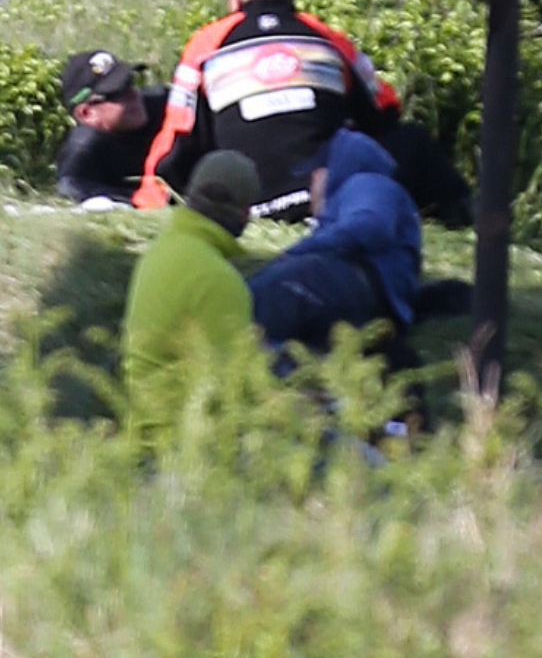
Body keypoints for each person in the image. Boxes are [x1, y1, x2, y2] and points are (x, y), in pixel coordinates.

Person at [133, 0, 402, 217]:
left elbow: (177, 135)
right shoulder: (327, 37)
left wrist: (149, 199)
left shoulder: (205, 44)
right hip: (326, 198)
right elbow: (385, 108)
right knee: (410, 138)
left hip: (248, 205)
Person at [241, 127, 421, 372]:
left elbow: (369, 227)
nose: (311, 186)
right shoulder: (359, 193)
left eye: (315, 175)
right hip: (360, 293)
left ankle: (236, 353)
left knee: (278, 287)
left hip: (364, 281)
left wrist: (297, 252)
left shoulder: (367, 183)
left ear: (333, 169)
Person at [122, 148, 262, 440]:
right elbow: (240, 391)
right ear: (245, 212)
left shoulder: (162, 251)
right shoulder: (217, 280)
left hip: (145, 433)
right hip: (188, 449)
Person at [53, 49, 165, 207]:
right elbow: (71, 190)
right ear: (86, 114)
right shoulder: (84, 148)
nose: (133, 95)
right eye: (117, 94)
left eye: (130, 84)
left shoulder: (164, 106)